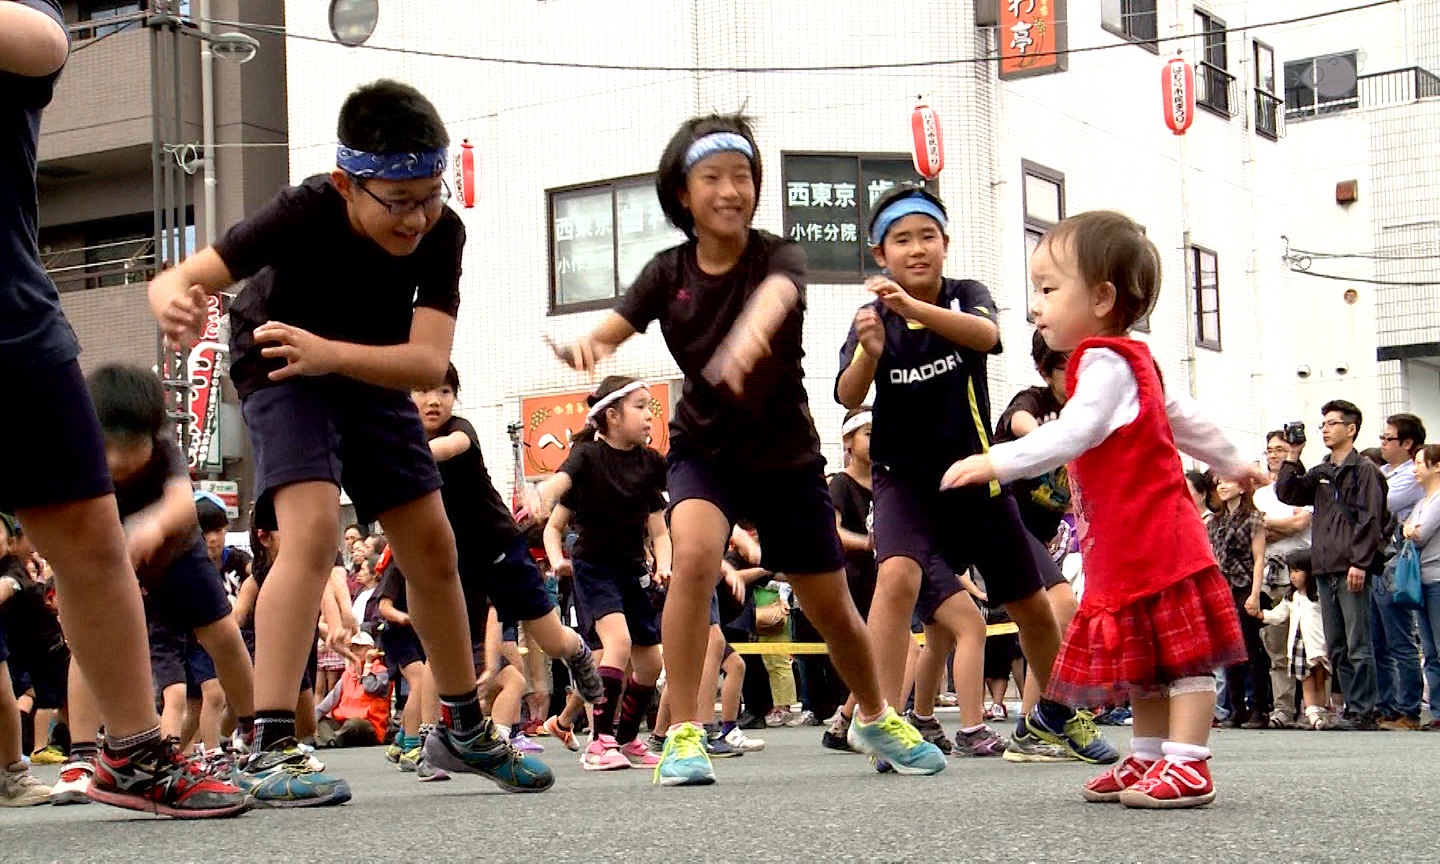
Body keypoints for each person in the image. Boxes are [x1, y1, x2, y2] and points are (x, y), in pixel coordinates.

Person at [148, 80, 551, 802]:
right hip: (279, 359)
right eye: (398, 201)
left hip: (362, 363)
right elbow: (182, 275)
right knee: (309, 531)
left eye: (431, 194)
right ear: (345, 183)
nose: (417, 218)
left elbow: (427, 363)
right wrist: (174, 301)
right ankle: (270, 744)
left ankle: (460, 726)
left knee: (433, 543)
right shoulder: (303, 211)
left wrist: (335, 354)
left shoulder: (441, 234)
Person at [551, 112, 941, 786]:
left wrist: (749, 336)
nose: (732, 190)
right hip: (707, 451)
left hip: (787, 459)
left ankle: (874, 713)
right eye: (713, 178)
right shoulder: (665, 271)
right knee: (695, 553)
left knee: (830, 608)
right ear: (682, 194)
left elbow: (776, 296)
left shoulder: (777, 254)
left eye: (743, 176)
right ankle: (681, 733)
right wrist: (589, 345)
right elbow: (615, 326)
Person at [0, 0, 250, 818]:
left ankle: (144, 752)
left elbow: (44, 41)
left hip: (10, 324)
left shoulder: (23, 18)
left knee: (92, 549)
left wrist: (153, 527)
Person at [943, 210, 1265, 808]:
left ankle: (1189, 763)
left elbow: (1077, 429)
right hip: (1128, 547)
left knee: (1183, 659)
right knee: (1146, 661)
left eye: (1047, 288)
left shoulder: (1105, 362)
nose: (1035, 304)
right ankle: (1147, 757)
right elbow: (1183, 419)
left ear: (1102, 296)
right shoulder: (1131, 358)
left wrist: (998, 460)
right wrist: (1233, 462)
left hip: (1157, 541)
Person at [835, 186, 1105, 766]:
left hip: (974, 473)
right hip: (902, 479)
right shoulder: (871, 320)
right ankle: (880, 718)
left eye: (926, 236)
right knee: (897, 577)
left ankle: (1060, 716)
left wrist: (913, 309)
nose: (916, 249)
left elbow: (987, 337)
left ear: (945, 244)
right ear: (880, 255)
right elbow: (847, 393)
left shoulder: (966, 297)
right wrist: (869, 353)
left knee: (1033, 604)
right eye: (901, 240)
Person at [411, 364, 602, 743]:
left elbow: (447, 449)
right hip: (455, 561)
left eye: (445, 393)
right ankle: (428, 737)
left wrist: (400, 452)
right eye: (423, 390)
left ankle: (578, 652)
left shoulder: (459, 430)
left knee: (551, 640)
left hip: (500, 547)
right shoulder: (401, 437)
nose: (434, 400)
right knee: (442, 647)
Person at [534, 376, 669, 770]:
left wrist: (665, 565)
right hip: (593, 567)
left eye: (651, 408)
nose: (650, 416)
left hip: (633, 569)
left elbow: (660, 530)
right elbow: (560, 489)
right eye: (641, 407)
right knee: (618, 643)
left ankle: (626, 741)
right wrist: (543, 495)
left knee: (651, 665)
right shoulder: (588, 457)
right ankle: (599, 742)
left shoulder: (648, 464)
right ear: (611, 415)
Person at [1276, 400, 1389, 731]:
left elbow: (1371, 520)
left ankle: (1364, 710)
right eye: (1322, 424)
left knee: (1358, 642)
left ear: (1351, 429)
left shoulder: (1365, 470)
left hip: (1351, 567)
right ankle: (1353, 707)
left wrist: (1360, 562)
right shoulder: (1323, 470)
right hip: (1324, 568)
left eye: (1332, 423)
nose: (1324, 429)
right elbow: (1289, 492)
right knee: (1337, 645)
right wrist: (1293, 455)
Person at [820, 407, 878, 751]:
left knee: (887, 650)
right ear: (848, 441)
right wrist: (870, 542)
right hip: (855, 578)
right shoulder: (840, 483)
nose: (876, 440)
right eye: (868, 434)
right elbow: (834, 531)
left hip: (886, 574)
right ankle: (852, 721)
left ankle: (845, 722)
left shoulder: (887, 481)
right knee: (877, 650)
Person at [1253, 431, 1312, 727]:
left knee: (1310, 645)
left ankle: (1313, 707)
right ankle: (1283, 709)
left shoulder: (1305, 485)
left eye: (1281, 448)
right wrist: (1283, 525)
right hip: (1270, 577)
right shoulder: (1260, 494)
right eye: (1270, 450)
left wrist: (1275, 526)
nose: (1274, 454)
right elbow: (1258, 528)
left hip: (1302, 576)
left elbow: (1302, 522)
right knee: (1276, 647)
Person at [1371, 414, 1426, 730]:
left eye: (1387, 438)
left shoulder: (1409, 476)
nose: (1382, 443)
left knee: (1400, 638)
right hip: (1375, 560)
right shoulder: (1383, 472)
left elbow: (1380, 504)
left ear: (1406, 444)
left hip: (1397, 560)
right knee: (1377, 638)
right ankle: (1387, 706)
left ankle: (1408, 709)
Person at [1206, 479, 1272, 728]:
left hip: (1245, 585)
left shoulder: (1253, 518)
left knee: (1250, 648)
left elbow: (1259, 558)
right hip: (1223, 588)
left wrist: (1255, 594)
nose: (1223, 486)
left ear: (1242, 487)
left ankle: (1259, 708)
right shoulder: (1215, 522)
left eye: (1228, 481)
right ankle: (1237, 709)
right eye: (1219, 482)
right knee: (1228, 650)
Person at [1256, 550, 1330, 729]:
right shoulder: (1292, 597)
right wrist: (1260, 614)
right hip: (1299, 644)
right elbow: (1278, 615)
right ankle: (1312, 713)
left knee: (1320, 677)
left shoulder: (1319, 596)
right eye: (1291, 572)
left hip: (1317, 643)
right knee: (1305, 678)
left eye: (1298, 571)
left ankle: (1321, 710)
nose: (1293, 576)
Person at [1404, 444, 1440, 726]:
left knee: (1438, 646)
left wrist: (1410, 530)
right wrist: (1410, 530)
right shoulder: (1421, 501)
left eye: (1419, 463)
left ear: (1436, 465)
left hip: (1437, 580)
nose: (1415, 468)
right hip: (1422, 581)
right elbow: (1407, 529)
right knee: (1429, 650)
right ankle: (1438, 711)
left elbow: (1419, 534)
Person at [314, 631, 391, 749]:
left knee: (354, 724)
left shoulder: (382, 672)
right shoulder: (348, 673)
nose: (355, 652)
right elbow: (328, 702)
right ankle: (334, 740)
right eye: (353, 648)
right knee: (322, 722)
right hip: (343, 723)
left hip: (368, 725)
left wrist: (368, 664)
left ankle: (332, 740)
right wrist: (311, 720)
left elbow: (369, 687)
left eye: (360, 648)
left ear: (371, 649)